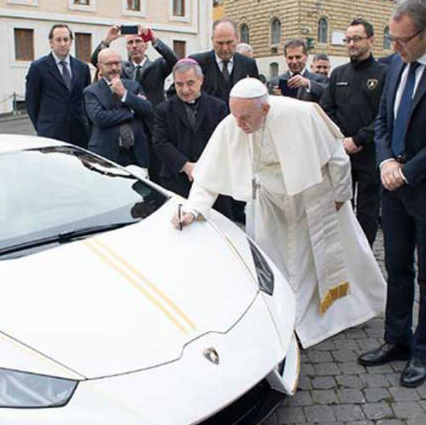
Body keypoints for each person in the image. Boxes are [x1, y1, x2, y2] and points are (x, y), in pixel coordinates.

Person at [172, 78, 386, 348]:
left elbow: (338, 157)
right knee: (274, 262)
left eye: (245, 118)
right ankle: (285, 317)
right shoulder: (234, 123)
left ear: (265, 108)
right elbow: (207, 175)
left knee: (315, 260)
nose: (239, 125)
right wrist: (193, 209)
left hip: (311, 197)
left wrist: (340, 197)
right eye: (235, 116)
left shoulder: (302, 114)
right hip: (269, 202)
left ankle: (335, 316)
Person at [358, 0, 426, 388]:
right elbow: (383, 119)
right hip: (393, 184)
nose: (395, 48)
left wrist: (407, 171)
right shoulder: (397, 64)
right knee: (398, 268)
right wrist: (386, 163)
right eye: (392, 40)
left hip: (420, 184)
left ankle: (422, 352)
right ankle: (396, 340)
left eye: (402, 41)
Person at [321, 19, 386, 247]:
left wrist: (359, 139)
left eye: (356, 39)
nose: (351, 44)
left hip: (369, 154)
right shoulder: (338, 74)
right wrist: (342, 139)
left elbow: (383, 116)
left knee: (367, 212)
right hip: (341, 153)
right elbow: (326, 110)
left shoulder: (383, 74)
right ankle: (343, 252)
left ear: (371, 40)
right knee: (339, 206)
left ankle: (364, 255)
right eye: (347, 39)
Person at [188, 18, 260, 224]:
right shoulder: (198, 61)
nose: (225, 47)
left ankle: (238, 211)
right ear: (212, 40)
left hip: (240, 131)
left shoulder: (248, 64)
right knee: (212, 174)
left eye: (229, 42)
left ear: (237, 40)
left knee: (239, 171)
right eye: (220, 43)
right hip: (207, 132)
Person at [91, 25, 178, 183]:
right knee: (133, 174)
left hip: (153, 125)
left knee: (157, 171)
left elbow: (174, 60)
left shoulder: (158, 66)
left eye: (138, 41)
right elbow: (97, 60)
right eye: (130, 43)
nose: (134, 46)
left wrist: (153, 38)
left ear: (145, 45)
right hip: (130, 128)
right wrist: (107, 40)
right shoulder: (120, 67)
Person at [152, 59, 233, 219]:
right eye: (179, 84)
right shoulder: (163, 110)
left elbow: (225, 143)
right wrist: (186, 166)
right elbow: (160, 142)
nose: (185, 89)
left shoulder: (218, 107)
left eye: (190, 83)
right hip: (176, 180)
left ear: (201, 80)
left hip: (213, 181)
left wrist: (204, 167)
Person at [84, 48, 152, 168]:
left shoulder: (133, 86)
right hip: (106, 155)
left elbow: (147, 109)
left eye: (117, 63)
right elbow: (100, 118)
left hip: (135, 155)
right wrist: (130, 112)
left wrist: (124, 94)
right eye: (109, 64)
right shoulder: (91, 91)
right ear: (100, 66)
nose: (114, 67)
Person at [26, 24, 91, 148]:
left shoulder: (82, 68)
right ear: (51, 42)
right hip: (51, 133)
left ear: (71, 42)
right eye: (58, 40)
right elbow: (32, 102)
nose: (62, 44)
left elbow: (85, 100)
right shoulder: (38, 68)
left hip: (79, 134)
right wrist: (43, 126)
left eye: (66, 39)